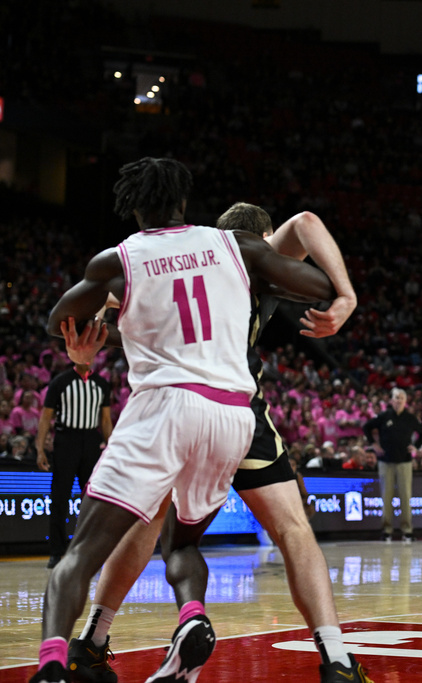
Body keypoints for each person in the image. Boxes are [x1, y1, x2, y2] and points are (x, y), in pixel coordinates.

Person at [28, 158, 342, 683]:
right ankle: (209, 621)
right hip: (233, 414)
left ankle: (60, 660)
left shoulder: (121, 258)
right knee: (189, 540)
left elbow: (57, 317)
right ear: (184, 202)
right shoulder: (234, 248)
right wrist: (322, 289)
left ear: (133, 207)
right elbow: (315, 284)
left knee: (85, 550)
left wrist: (85, 329)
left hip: (165, 405)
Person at [34, 358, 112, 568]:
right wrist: (40, 449)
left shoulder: (102, 384)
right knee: (60, 496)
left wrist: (112, 449)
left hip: (91, 441)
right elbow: (45, 418)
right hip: (66, 440)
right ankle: (57, 551)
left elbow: (105, 420)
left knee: (93, 498)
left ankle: (91, 549)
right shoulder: (60, 382)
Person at [364, 387, 422, 542]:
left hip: (405, 462)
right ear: (391, 400)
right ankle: (387, 530)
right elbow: (366, 427)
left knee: (405, 497)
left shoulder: (409, 418)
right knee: (386, 497)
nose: (398, 400)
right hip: (385, 462)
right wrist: (374, 444)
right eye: (396, 397)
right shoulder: (384, 416)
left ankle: (407, 530)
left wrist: (416, 446)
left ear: (405, 401)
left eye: (401, 398)